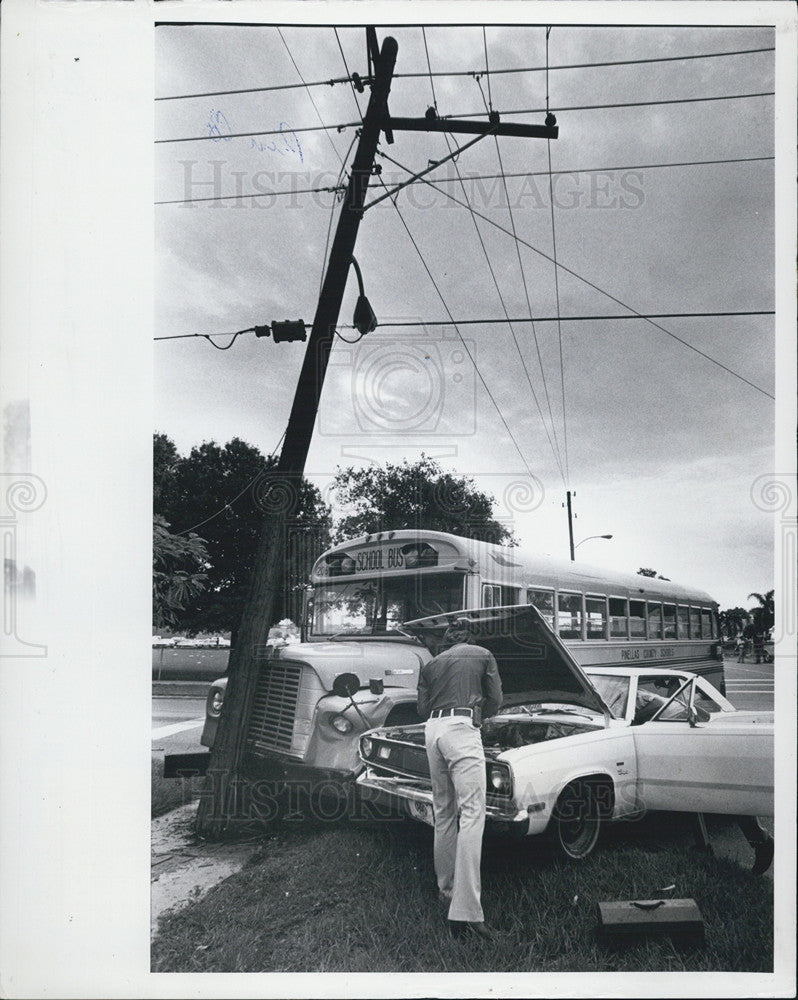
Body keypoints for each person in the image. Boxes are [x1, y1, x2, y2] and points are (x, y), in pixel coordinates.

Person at [416, 617, 503, 940]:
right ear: (471, 636)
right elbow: (496, 700)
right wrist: (482, 714)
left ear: (448, 639)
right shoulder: (482, 654)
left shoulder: (432, 663)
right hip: (462, 729)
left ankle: (446, 891)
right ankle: (467, 913)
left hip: (433, 731)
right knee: (473, 814)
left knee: (444, 812)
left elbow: (422, 709)